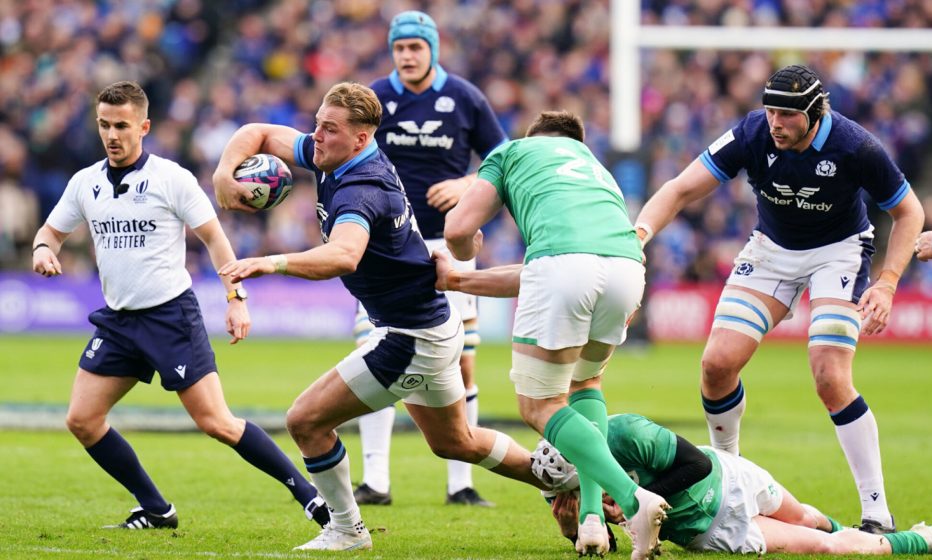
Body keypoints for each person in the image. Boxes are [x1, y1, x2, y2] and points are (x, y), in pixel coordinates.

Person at [211, 81, 551, 552]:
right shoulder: (333, 153)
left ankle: (348, 530)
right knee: (457, 442)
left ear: (362, 138)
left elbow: (344, 255)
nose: (316, 137)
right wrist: (225, 174)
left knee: (306, 421)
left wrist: (273, 261)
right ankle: (559, 481)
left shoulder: (362, 188)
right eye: (317, 125)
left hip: (410, 337)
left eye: (329, 130)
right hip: (430, 324)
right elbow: (259, 133)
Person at [633, 64, 925, 533]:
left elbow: (909, 212)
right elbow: (681, 188)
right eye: (769, 111)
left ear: (814, 112)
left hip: (839, 252)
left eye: (786, 115)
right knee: (716, 365)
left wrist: (888, 282)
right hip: (771, 250)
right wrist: (639, 235)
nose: (774, 123)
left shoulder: (856, 145)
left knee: (830, 375)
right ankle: (729, 482)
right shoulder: (752, 133)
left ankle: (877, 513)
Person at [30, 81, 328, 531]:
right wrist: (41, 249)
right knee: (83, 420)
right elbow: (50, 233)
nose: (112, 135)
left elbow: (214, 239)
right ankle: (156, 509)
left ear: (144, 126)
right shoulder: (84, 184)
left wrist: (236, 297)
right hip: (118, 322)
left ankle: (311, 497)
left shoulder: (172, 178)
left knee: (217, 423)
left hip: (170, 317)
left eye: (122, 126)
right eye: (105, 125)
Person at [443, 110, 669, 560]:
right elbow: (538, 271)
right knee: (585, 384)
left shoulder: (513, 151)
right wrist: (460, 280)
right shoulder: (595, 169)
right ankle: (590, 520)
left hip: (565, 266)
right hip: (628, 268)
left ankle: (632, 500)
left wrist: (466, 254)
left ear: (535, 137)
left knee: (539, 405)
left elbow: (457, 230)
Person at [342, 10, 511, 508]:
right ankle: (375, 481)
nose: (407, 56)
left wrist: (466, 184)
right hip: (386, 246)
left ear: (432, 49)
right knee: (375, 355)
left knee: (462, 363)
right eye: (399, 48)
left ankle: (462, 483)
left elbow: (503, 159)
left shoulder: (463, 97)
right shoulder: (375, 98)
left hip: (449, 247)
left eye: (416, 47)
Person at [536, 405, 932, 556]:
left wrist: (637, 500)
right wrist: (574, 529)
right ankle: (929, 539)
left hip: (727, 473)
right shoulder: (562, 484)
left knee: (811, 519)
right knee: (830, 547)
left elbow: (695, 467)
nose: (569, 497)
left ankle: (856, 529)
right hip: (716, 526)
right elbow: (606, 546)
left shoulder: (627, 433)